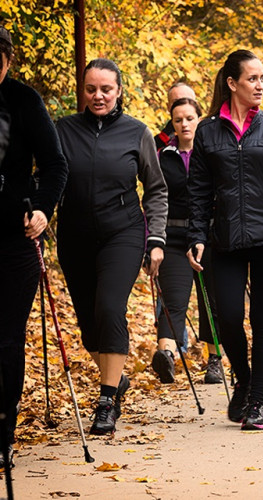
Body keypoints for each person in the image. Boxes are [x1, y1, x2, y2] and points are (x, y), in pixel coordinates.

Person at [187, 50, 263, 431]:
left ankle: (257, 400)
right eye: (252, 79)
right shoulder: (208, 131)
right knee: (226, 317)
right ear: (232, 83)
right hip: (224, 240)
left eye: (262, 78)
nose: (260, 85)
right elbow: (198, 191)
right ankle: (242, 378)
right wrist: (196, 235)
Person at [56, 58, 168, 434]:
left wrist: (156, 240)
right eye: (91, 89)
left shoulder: (137, 132)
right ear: (82, 91)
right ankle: (115, 377)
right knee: (89, 325)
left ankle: (107, 401)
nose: (98, 96)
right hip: (74, 236)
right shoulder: (63, 130)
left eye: (106, 89)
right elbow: (47, 177)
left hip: (123, 232)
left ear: (119, 91)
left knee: (109, 307)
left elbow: (155, 188)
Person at [0, 27, 68, 465]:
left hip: (13, 237)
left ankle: (3, 431)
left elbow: (56, 163)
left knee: (5, 338)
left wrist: (43, 209)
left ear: (7, 60)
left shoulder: (24, 101)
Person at [151, 97, 224, 385]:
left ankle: (215, 360)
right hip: (173, 237)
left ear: (199, 120)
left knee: (211, 300)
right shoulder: (163, 156)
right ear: (173, 123)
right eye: (178, 119)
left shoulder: (212, 155)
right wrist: (151, 240)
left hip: (209, 236)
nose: (184, 124)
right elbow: (153, 197)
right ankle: (166, 356)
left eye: (189, 118)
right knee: (173, 299)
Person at [154, 82, 197, 151]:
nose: (183, 105)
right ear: (168, 107)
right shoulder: (159, 143)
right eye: (176, 102)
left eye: (188, 100)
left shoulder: (209, 134)